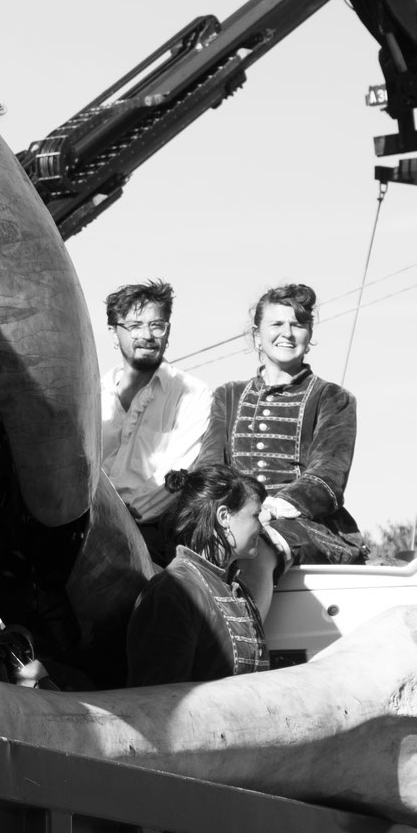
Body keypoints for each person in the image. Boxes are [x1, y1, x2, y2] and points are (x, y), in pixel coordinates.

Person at [199, 284, 366, 599]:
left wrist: (268, 510)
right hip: (231, 519)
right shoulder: (228, 395)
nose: (287, 333)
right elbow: (211, 468)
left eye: (297, 325)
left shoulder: (333, 398)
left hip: (306, 527)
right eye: (276, 324)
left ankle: (249, 645)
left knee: (258, 546)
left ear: (309, 334)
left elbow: (327, 478)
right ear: (256, 334)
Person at [97, 280, 215, 564]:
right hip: (89, 521)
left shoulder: (191, 393)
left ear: (168, 332)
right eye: (135, 326)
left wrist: (121, 514)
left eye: (156, 326)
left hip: (149, 530)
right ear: (114, 334)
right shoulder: (94, 393)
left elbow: (177, 476)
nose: (147, 335)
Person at [126, 465, 272, 685]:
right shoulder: (173, 591)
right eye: (255, 515)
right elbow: (161, 700)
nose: (261, 527)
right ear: (224, 516)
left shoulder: (239, 590)